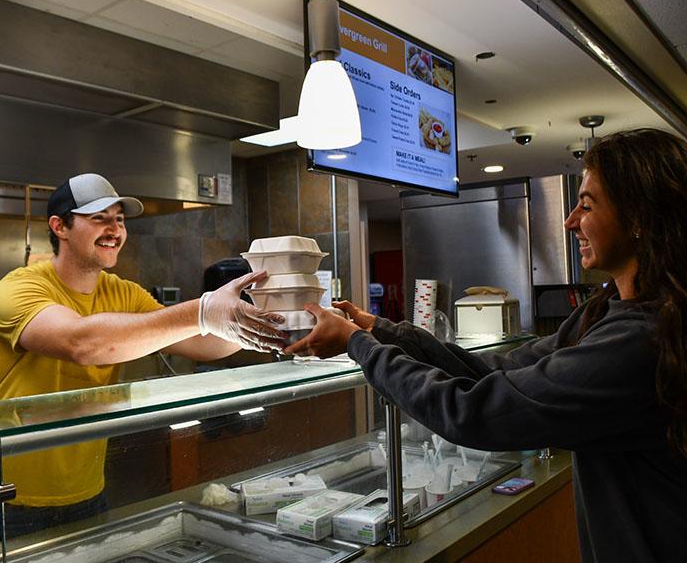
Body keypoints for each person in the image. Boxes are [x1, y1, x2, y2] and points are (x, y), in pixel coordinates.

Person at [285, 129, 687, 562]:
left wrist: (357, 345)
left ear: (641, 217)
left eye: (586, 205)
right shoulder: (607, 310)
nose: (570, 221)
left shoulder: (639, 341)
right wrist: (381, 330)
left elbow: (473, 411)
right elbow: (502, 371)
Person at [0, 172, 286, 535]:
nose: (114, 229)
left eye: (120, 219)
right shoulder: (19, 288)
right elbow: (83, 344)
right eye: (99, 218)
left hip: (89, 491)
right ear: (59, 227)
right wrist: (204, 310)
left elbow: (203, 344)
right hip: (11, 498)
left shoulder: (123, 292)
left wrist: (261, 322)